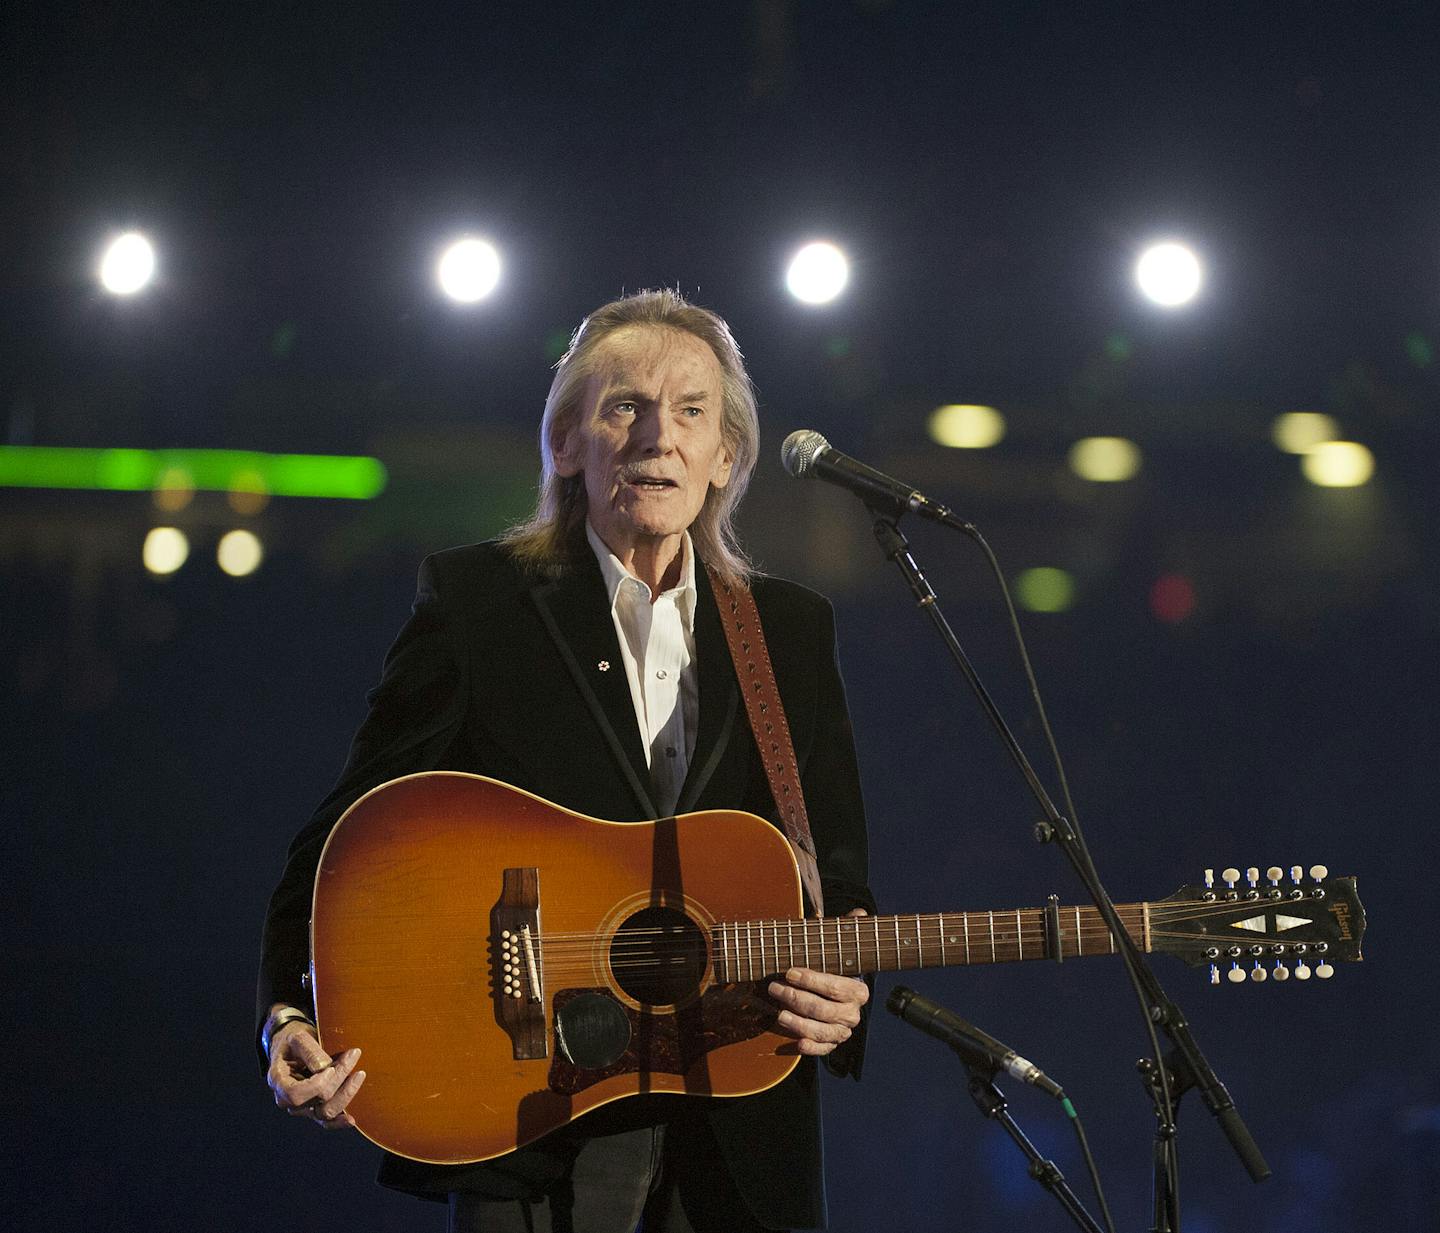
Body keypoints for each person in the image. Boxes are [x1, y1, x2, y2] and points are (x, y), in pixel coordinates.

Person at [258, 289, 875, 1232]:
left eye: (691, 411)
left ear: (726, 460)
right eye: (624, 404)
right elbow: (348, 828)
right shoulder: (479, 603)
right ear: (566, 445)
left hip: (742, 1120)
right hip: (531, 1109)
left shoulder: (790, 630)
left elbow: (836, 877)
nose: (657, 434)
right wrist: (287, 1010)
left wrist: (844, 1005)